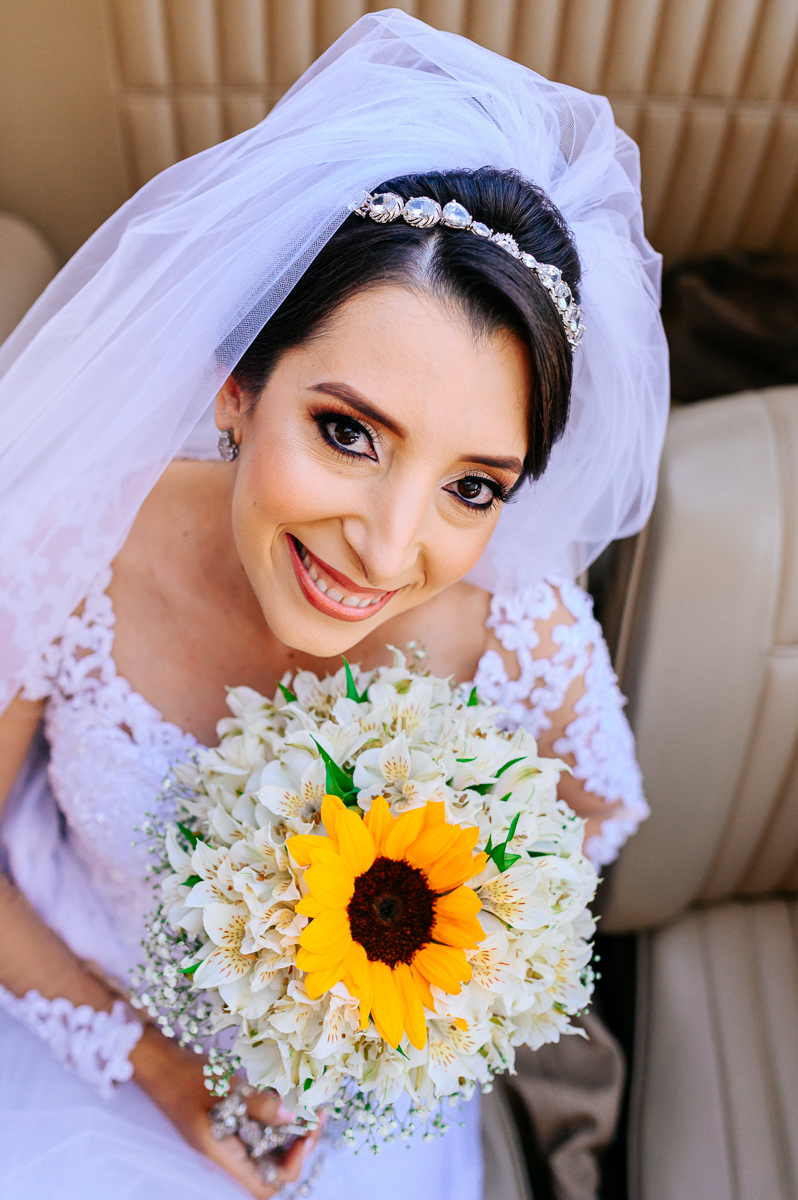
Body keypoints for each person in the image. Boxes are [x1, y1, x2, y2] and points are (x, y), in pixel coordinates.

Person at [0, 11, 668, 1200]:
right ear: (238, 388)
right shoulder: (77, 537)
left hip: (361, 1118)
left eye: (473, 486)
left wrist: (388, 1030)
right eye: (348, 432)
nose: (389, 544)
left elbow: (559, 876)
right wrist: (152, 1062)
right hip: (72, 1033)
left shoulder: (515, 641)